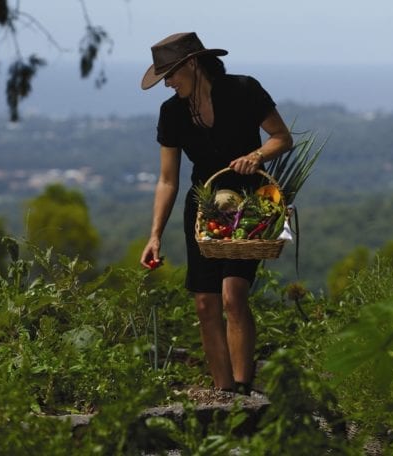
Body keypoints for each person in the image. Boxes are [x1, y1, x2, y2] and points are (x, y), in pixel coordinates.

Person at [140, 32, 293, 395]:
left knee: (232, 295)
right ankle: (223, 393)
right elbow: (167, 181)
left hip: (252, 207)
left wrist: (256, 156)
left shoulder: (243, 90)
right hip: (203, 211)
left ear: (192, 64)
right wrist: (155, 234)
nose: (168, 84)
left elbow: (282, 138)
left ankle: (243, 388)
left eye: (171, 75)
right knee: (206, 303)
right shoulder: (172, 113)